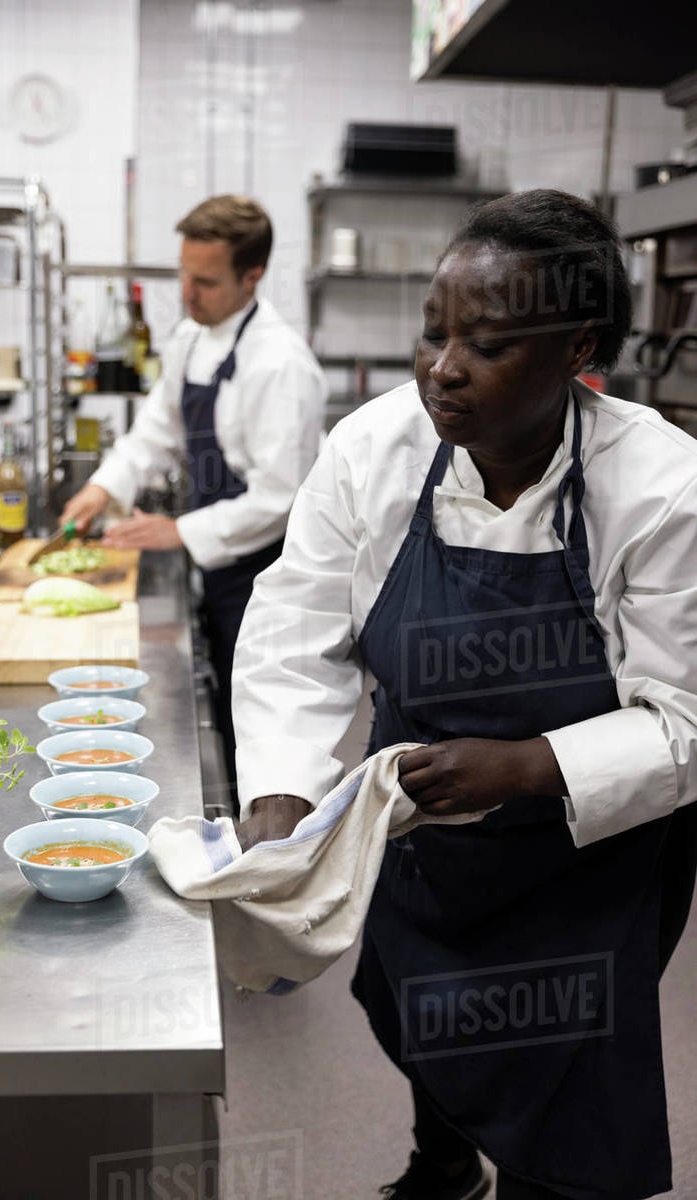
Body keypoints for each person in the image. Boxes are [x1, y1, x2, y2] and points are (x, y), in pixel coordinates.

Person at [231, 189, 697, 1200]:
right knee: (414, 1009)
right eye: (433, 332)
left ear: (574, 348)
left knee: (559, 1099)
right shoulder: (373, 449)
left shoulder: (659, 488)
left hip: (585, 862)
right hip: (423, 838)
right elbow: (294, 629)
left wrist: (529, 766)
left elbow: (683, 724)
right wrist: (280, 792)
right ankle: (441, 1165)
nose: (441, 366)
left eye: (483, 344)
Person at [62, 195, 327, 804]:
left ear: (252, 275)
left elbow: (282, 498)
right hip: (219, 563)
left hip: (271, 574)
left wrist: (178, 532)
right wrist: (106, 484)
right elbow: (156, 430)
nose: (188, 293)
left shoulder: (282, 365)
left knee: (263, 729)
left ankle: (266, 853)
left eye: (205, 281)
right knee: (231, 711)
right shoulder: (190, 337)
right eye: (184, 275)